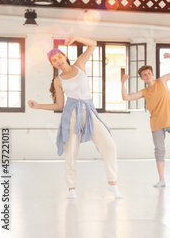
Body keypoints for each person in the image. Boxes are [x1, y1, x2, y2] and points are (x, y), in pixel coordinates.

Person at [28, 36, 123, 199]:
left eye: (59, 57)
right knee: (70, 152)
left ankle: (112, 183)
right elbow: (59, 105)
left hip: (88, 109)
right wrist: (39, 106)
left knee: (110, 145)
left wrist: (76, 38)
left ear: (65, 56)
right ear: (52, 65)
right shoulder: (58, 81)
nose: (57, 61)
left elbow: (93, 44)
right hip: (71, 113)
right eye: (53, 60)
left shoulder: (79, 65)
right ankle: (71, 188)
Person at [121, 54, 170, 188]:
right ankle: (162, 179)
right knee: (159, 150)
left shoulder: (163, 81)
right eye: (144, 75)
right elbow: (126, 97)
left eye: (149, 73)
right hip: (157, 125)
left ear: (153, 74)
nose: (147, 76)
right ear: (142, 78)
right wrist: (123, 83)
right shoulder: (144, 92)